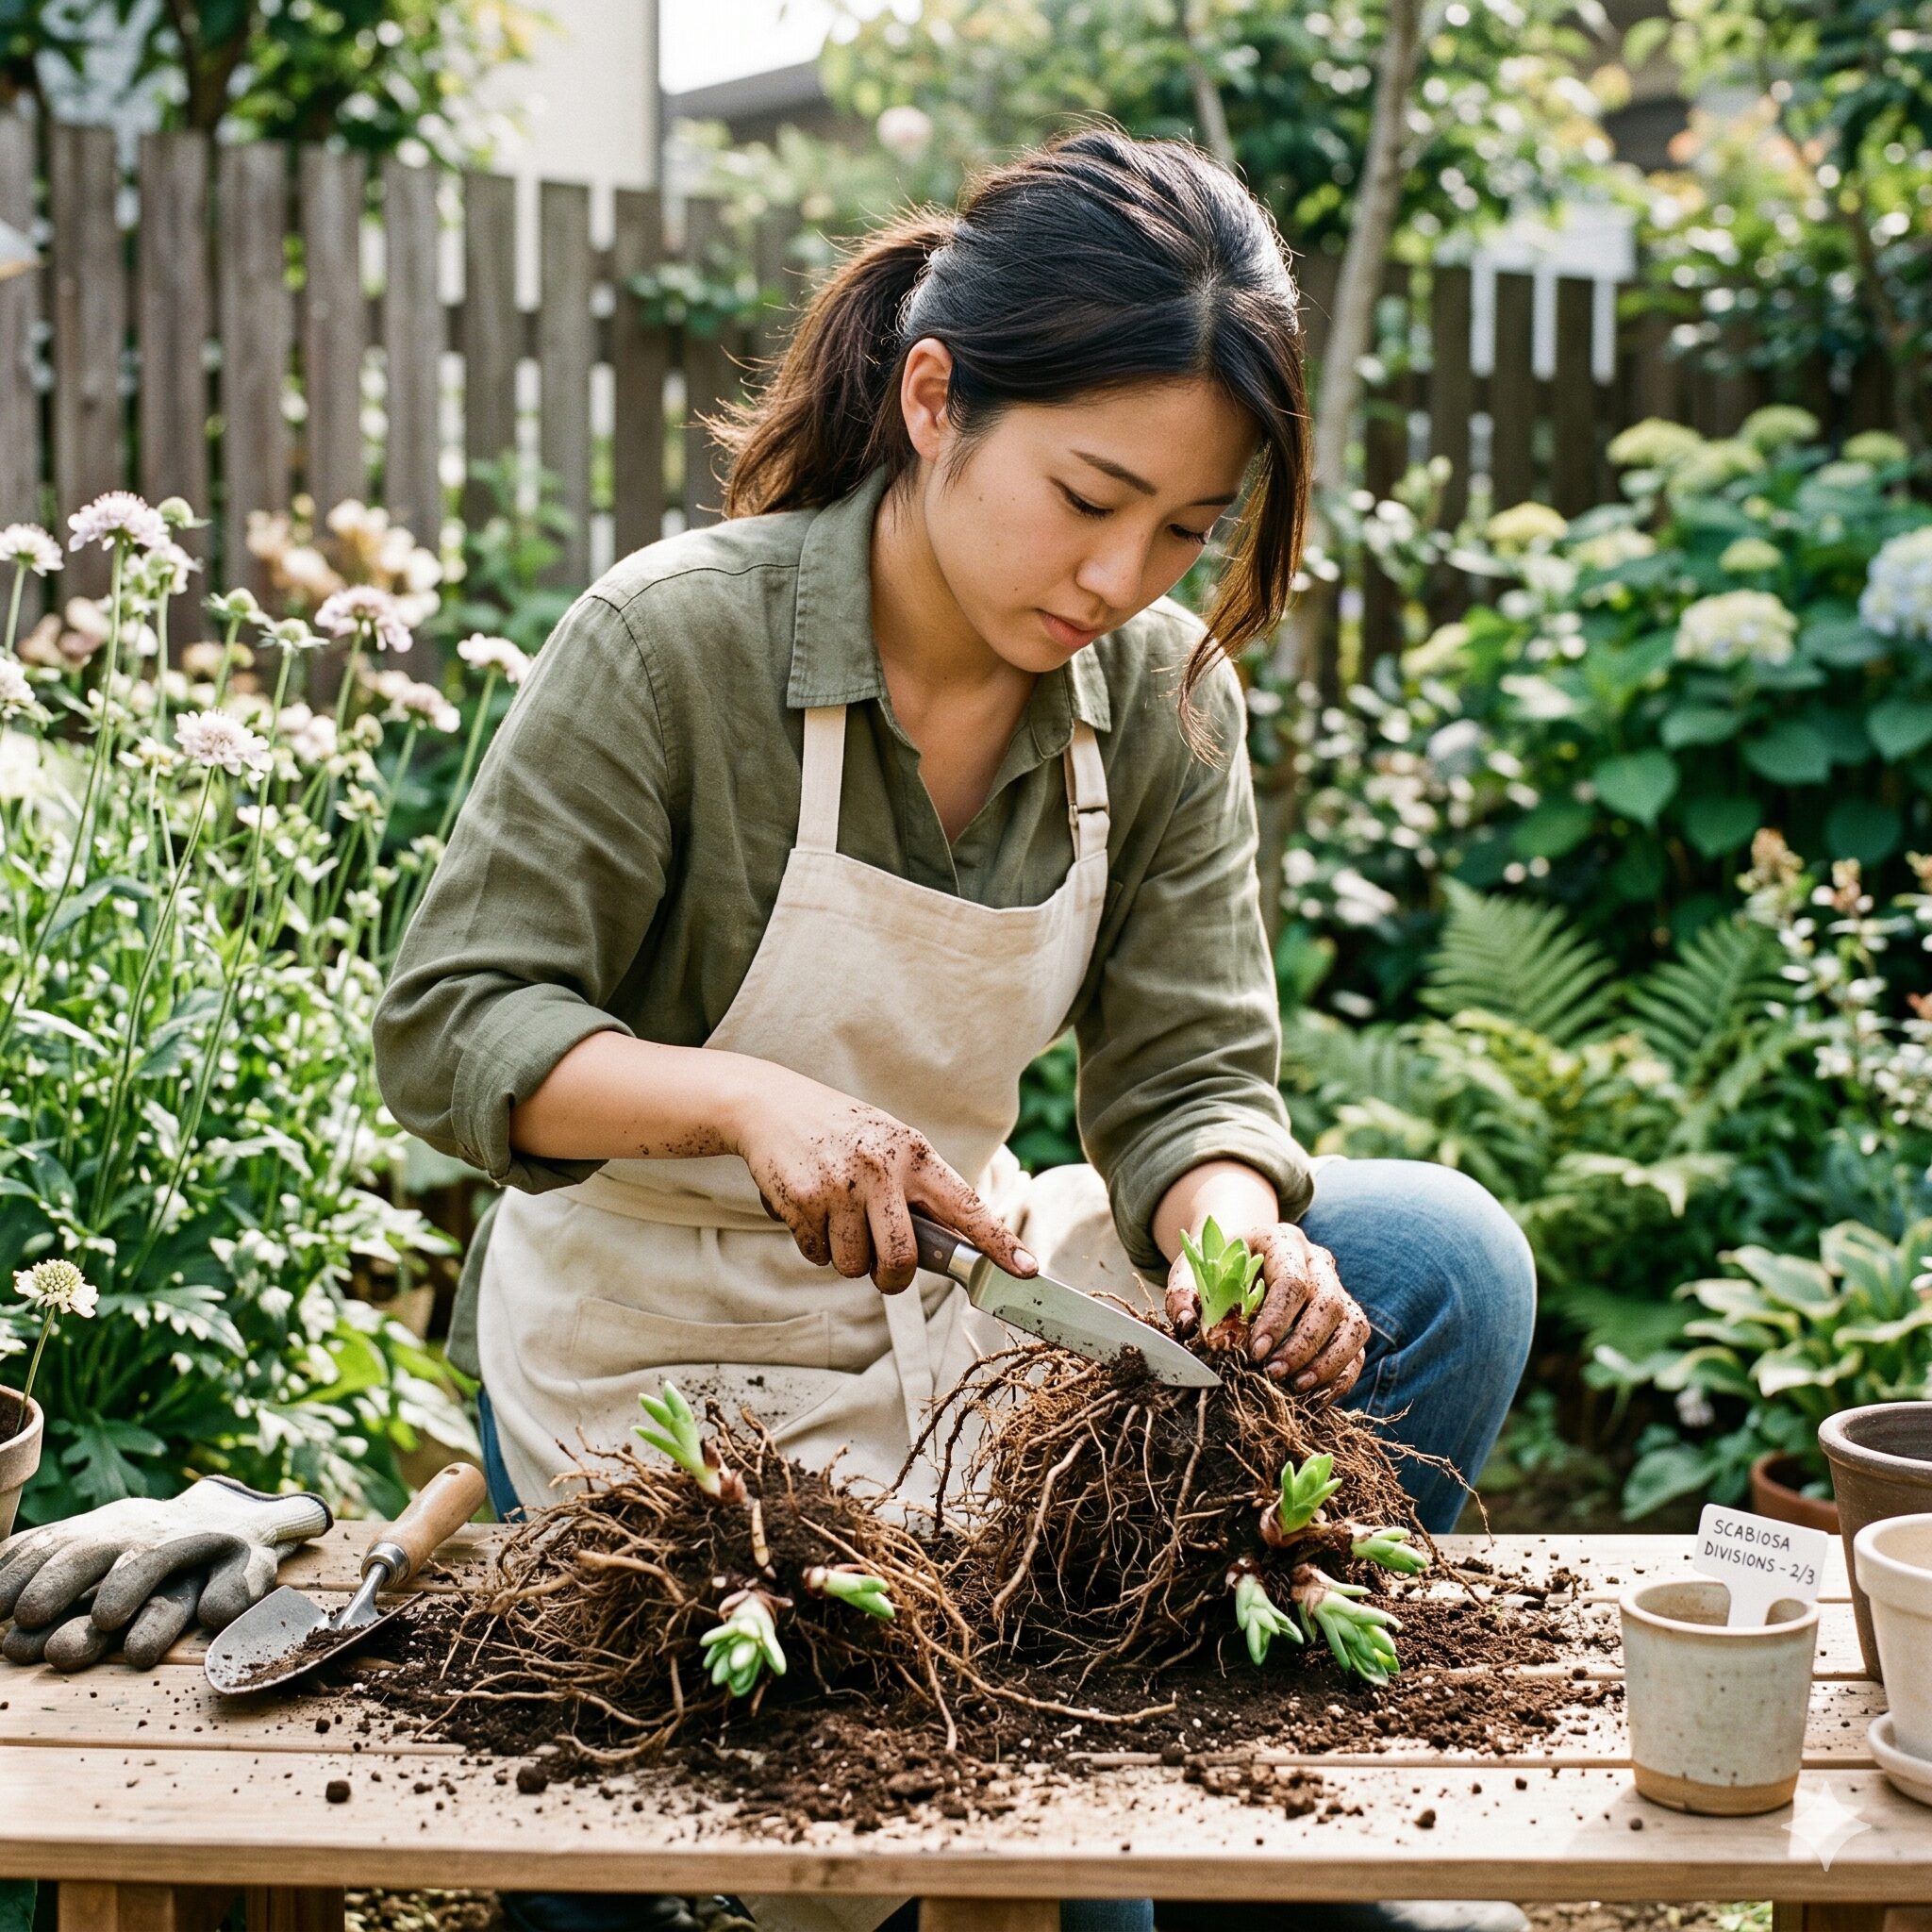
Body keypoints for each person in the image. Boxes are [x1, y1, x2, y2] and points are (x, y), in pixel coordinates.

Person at [373, 121, 1535, 1932]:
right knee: (934, 1818)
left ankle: (1227, 1802)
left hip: (965, 1299)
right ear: (934, 400)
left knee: (1440, 1259)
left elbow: (1190, 1073)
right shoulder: (676, 648)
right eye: (1088, 498)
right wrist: (754, 1108)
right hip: (657, 1331)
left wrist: (1234, 1236)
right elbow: (453, 1027)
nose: (1123, 578)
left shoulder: (1155, 697)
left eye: (1187, 528)